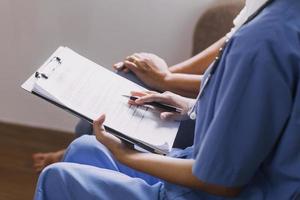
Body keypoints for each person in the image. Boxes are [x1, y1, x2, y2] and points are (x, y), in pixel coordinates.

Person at [34, 0, 300, 199]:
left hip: (226, 189)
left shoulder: (263, 40)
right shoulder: (279, 20)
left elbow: (221, 182)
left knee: (56, 178)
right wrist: (194, 106)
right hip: (230, 172)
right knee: (84, 147)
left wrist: (127, 155)